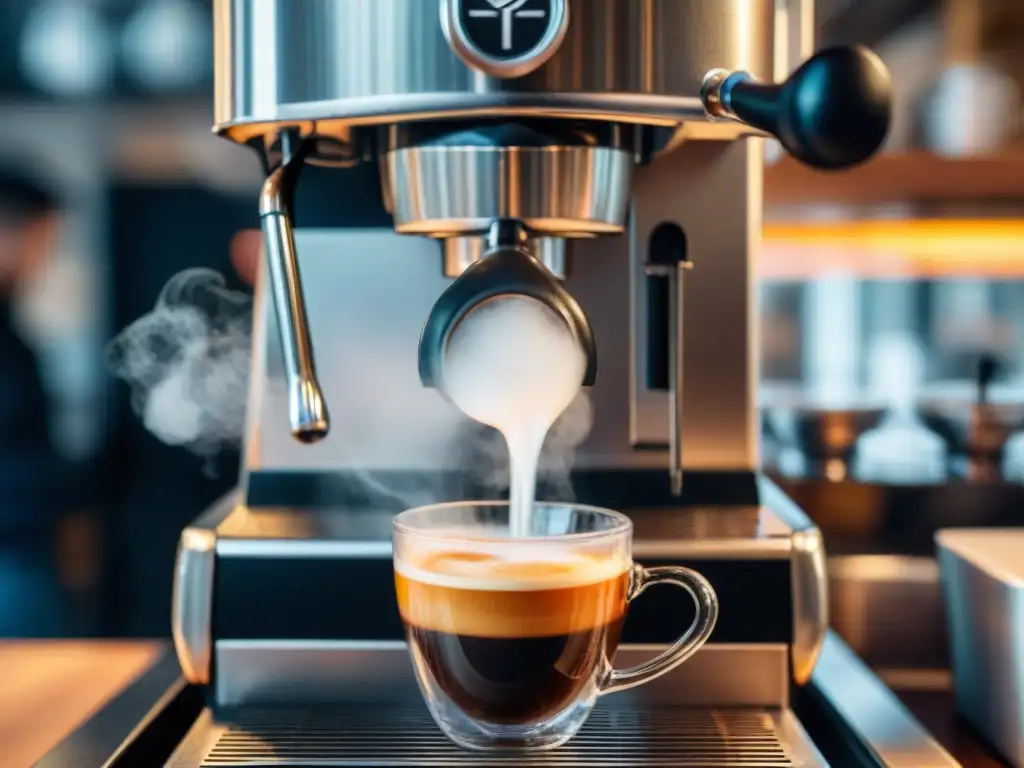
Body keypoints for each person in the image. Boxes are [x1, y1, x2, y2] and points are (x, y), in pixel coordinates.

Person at [0, 167, 87, 637]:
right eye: (42, 241)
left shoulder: (11, 328)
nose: (43, 259)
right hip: (11, 558)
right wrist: (82, 479)